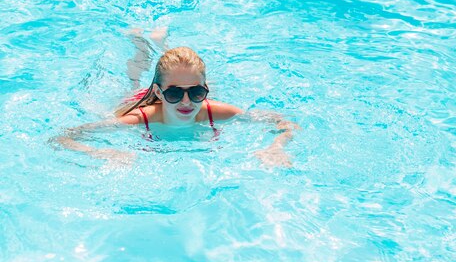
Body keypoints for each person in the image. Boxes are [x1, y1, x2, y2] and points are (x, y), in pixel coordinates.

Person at [55, 28, 298, 167]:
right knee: (135, 81)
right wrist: (104, 153)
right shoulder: (139, 119)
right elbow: (63, 137)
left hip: (178, 83)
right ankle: (140, 42)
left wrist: (276, 147)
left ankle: (161, 42)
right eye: (173, 93)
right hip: (139, 98)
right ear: (160, 92)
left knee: (182, 70)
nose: (186, 102)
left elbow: (285, 122)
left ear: (205, 91)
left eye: (196, 93)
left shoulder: (215, 110)